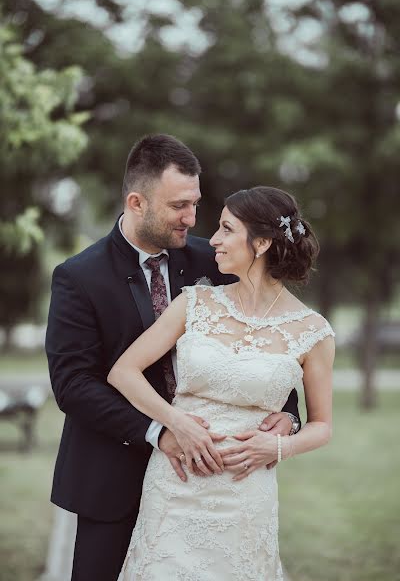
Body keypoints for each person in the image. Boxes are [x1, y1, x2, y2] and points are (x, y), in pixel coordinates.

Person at [45, 135, 300, 581]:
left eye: (196, 203)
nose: (192, 218)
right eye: (179, 205)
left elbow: (265, 334)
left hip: (207, 485)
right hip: (111, 477)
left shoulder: (215, 259)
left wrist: (288, 413)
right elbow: (73, 384)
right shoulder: (78, 277)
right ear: (137, 202)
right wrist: (158, 430)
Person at [108, 185, 335, 581]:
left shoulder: (313, 332)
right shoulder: (194, 303)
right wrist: (174, 423)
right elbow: (123, 372)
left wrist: (280, 446)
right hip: (175, 485)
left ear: (261, 243)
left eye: (227, 229)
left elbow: (322, 426)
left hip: (246, 493)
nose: (213, 239)